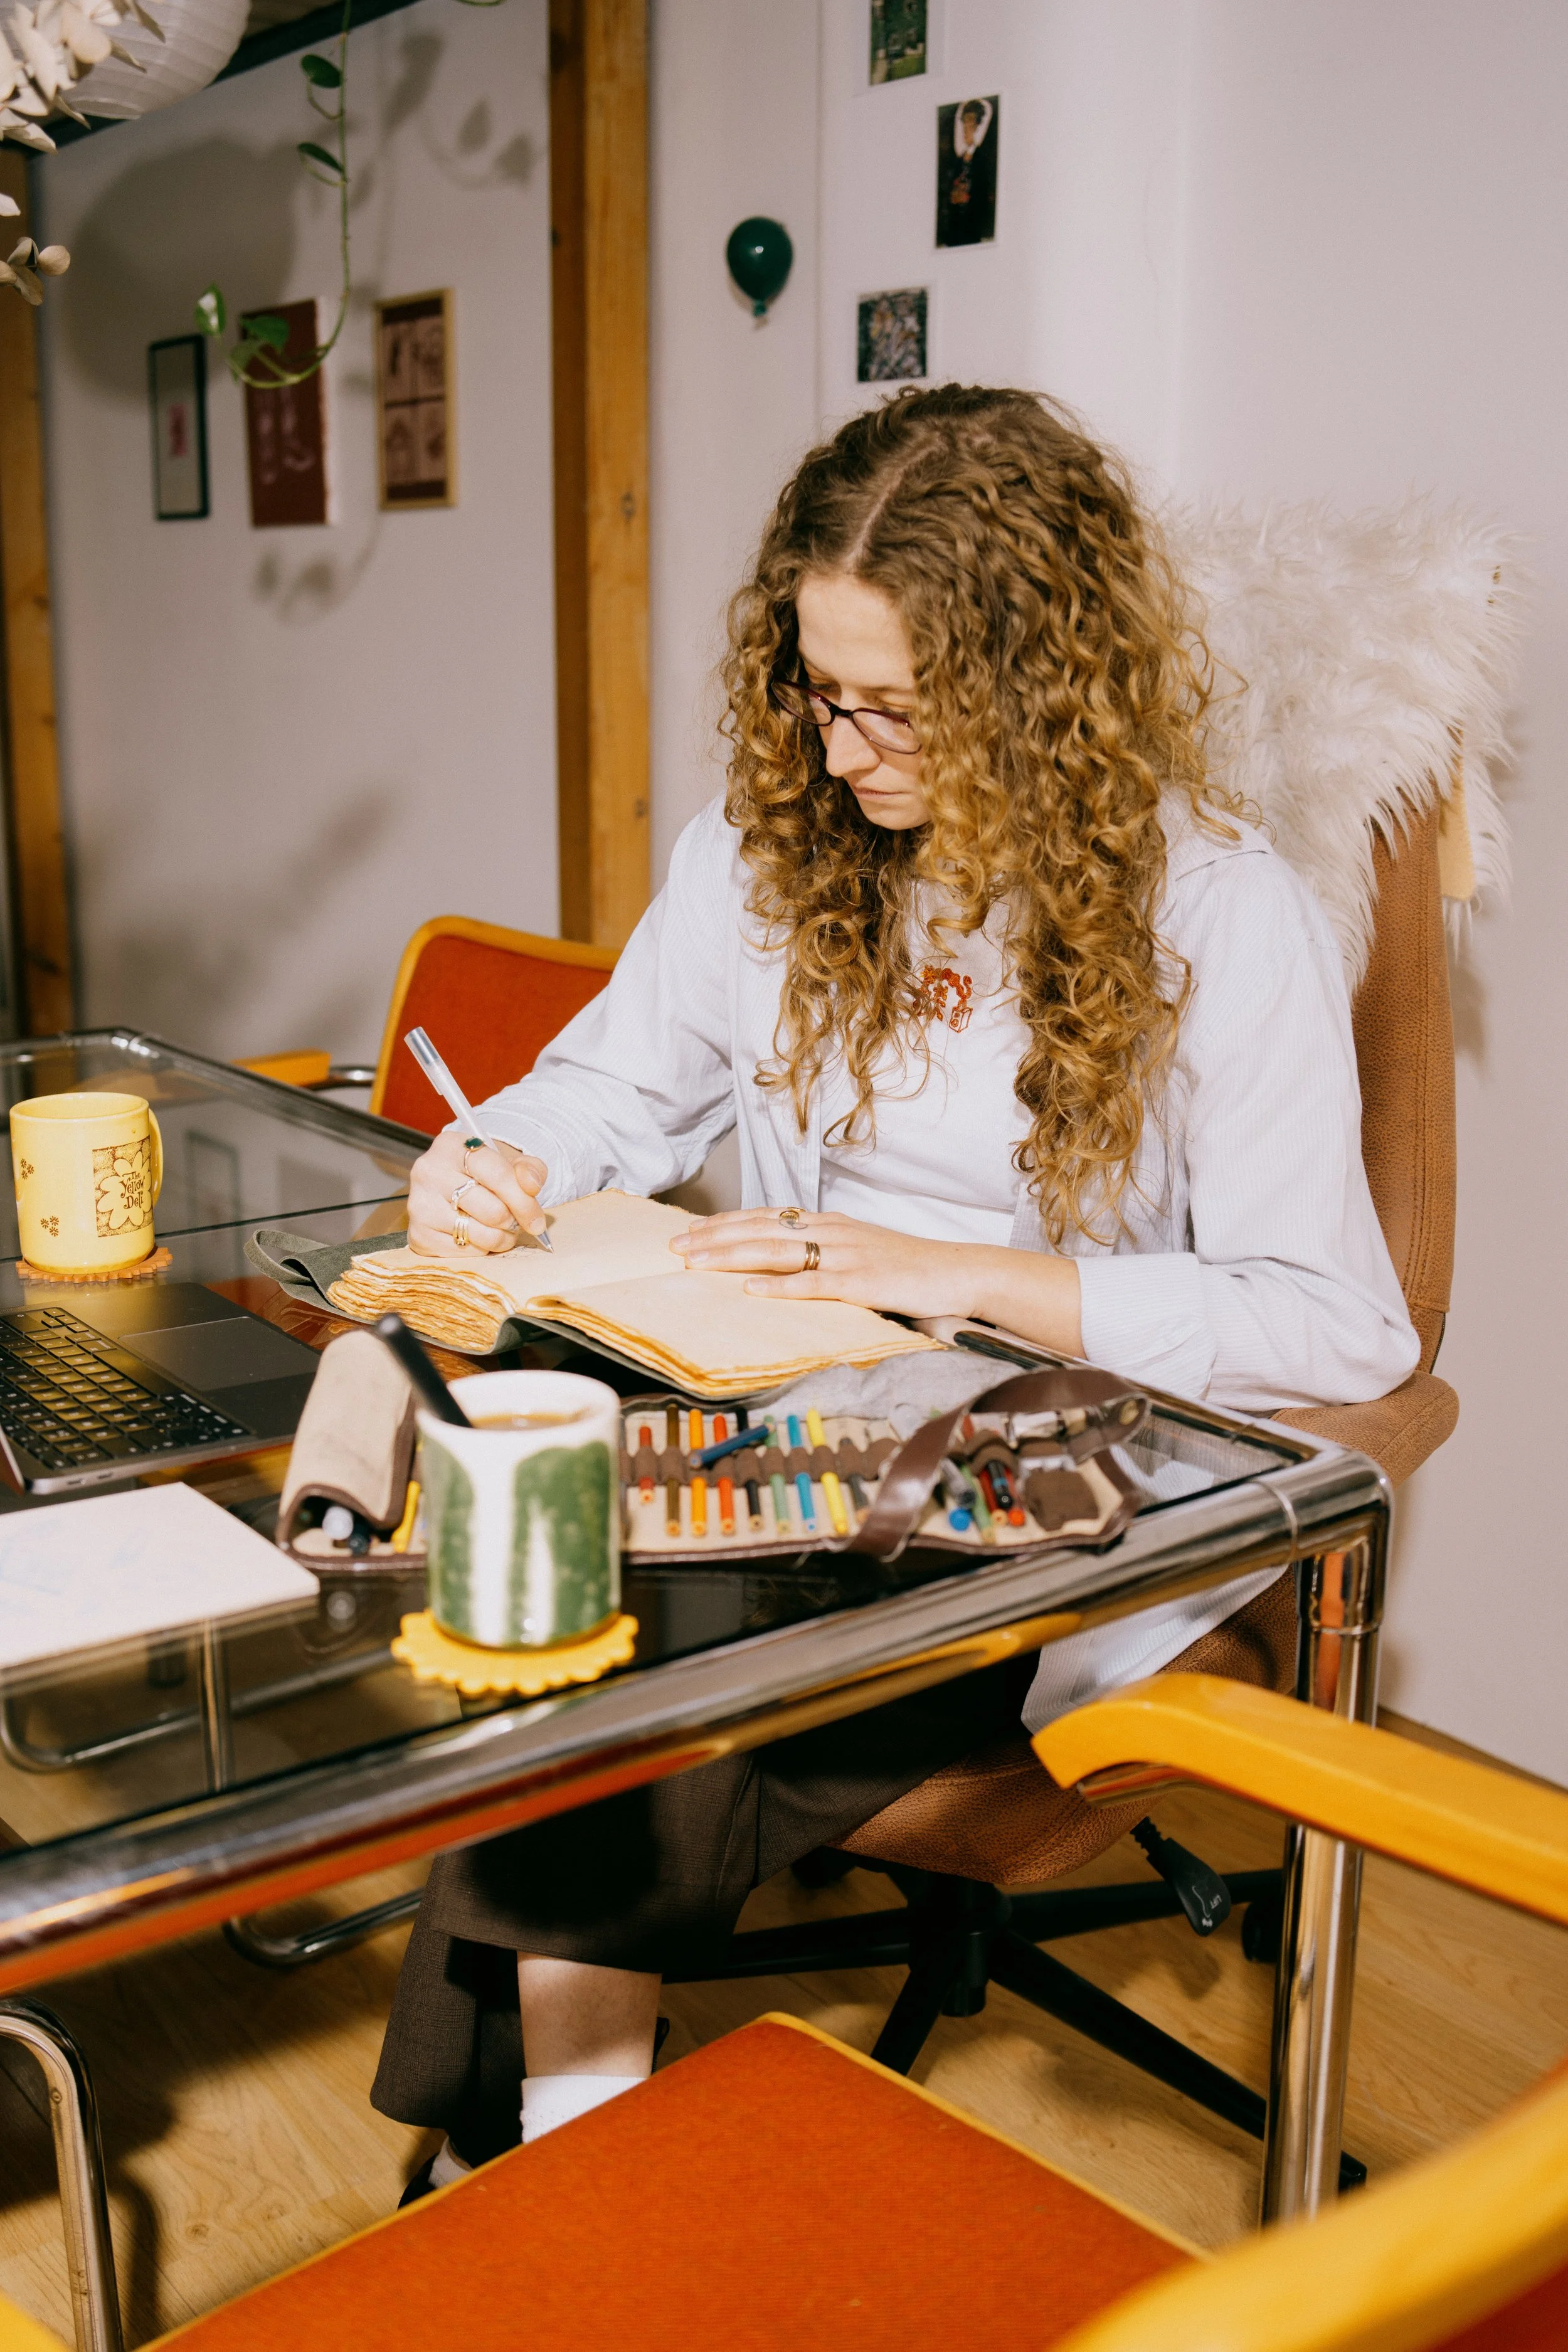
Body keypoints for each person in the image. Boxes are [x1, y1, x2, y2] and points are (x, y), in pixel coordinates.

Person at [371, 384, 1417, 2193]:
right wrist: (517, 1146)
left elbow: (1337, 1324)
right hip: (811, 1386)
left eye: (897, 709)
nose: (842, 746)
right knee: (566, 1503)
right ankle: (564, 2144)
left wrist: (952, 1276)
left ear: (1038, 690)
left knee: (646, 1576)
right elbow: (622, 1078)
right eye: (818, 688)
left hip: (1084, 1440)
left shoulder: (1218, 915)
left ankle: (543, 2139)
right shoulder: (768, 850)